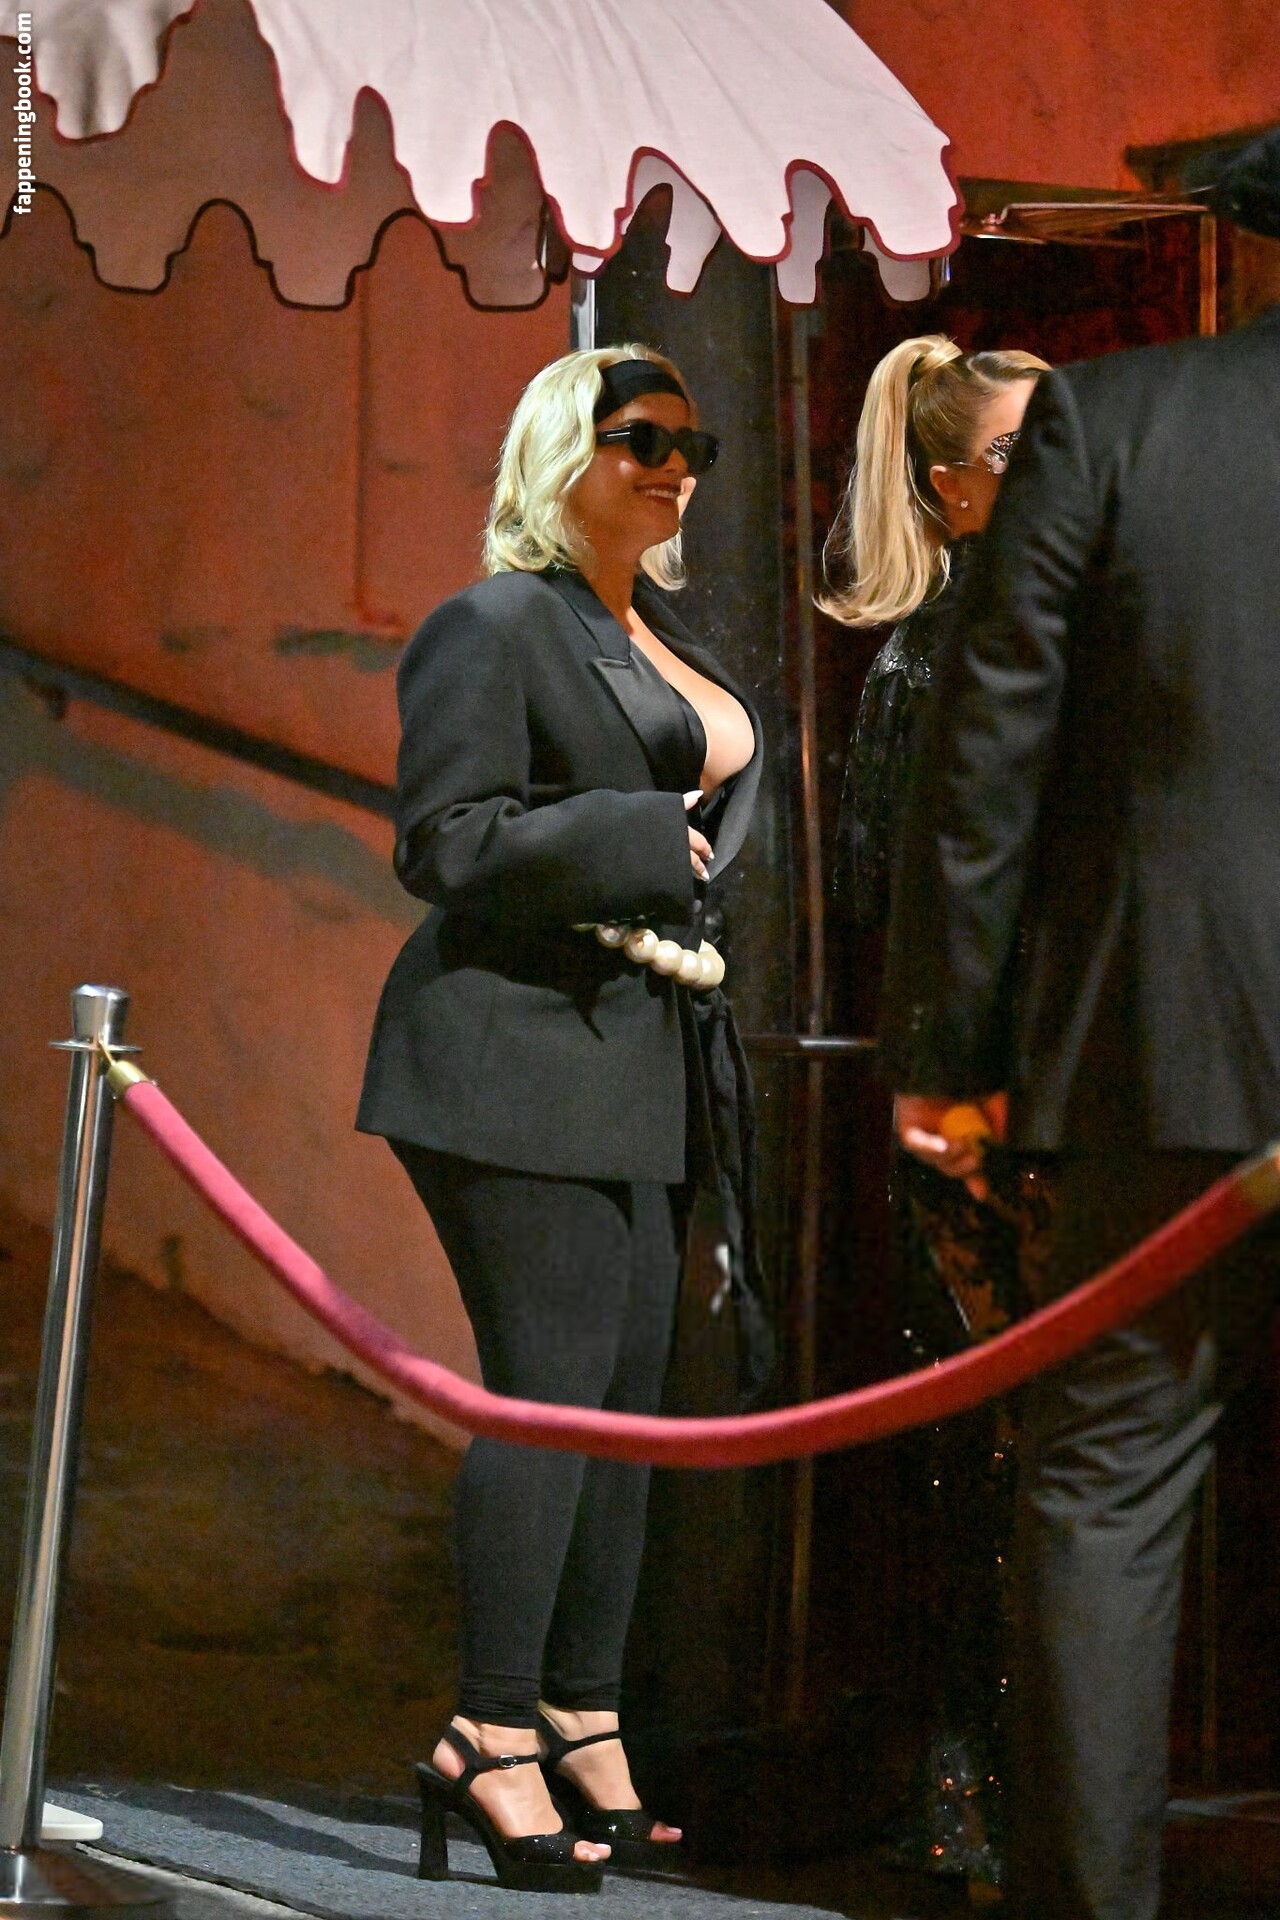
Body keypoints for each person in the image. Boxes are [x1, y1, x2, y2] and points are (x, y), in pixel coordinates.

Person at [879, 129, 1280, 1920]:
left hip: (1171, 1046)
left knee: (1107, 1495)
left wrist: (947, 1060)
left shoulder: (1112, 421)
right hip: (1170, 1053)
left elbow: (988, 768)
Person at [357, 344, 762, 1894]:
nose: (675, 470)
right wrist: (639, 835)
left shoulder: (651, 631)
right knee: (550, 1395)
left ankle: (583, 1713)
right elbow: (445, 841)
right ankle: (487, 1728)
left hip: (638, 1057)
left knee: (626, 1405)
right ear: (560, 449)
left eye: (693, 447)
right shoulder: (497, 623)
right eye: (642, 439)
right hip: (510, 1050)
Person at [824, 335, 1050, 1884]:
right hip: (971, 1108)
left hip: (1028, 1094)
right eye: (1019, 456)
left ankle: (1002, 1788)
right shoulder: (940, 652)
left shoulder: (1039, 628)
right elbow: (881, 896)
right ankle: (967, 1790)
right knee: (986, 1451)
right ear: (951, 486)